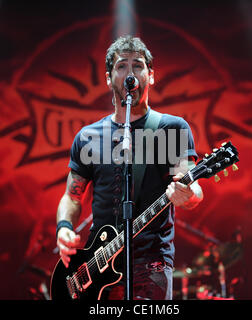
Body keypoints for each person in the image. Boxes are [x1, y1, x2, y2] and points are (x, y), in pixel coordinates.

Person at [55, 35, 204, 300]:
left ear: (151, 76)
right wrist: (64, 226)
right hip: (97, 266)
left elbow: (192, 187)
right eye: (122, 65)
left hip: (151, 263)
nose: (130, 72)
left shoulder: (172, 129)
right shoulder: (88, 136)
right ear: (108, 77)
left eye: (138, 65)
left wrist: (188, 194)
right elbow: (72, 196)